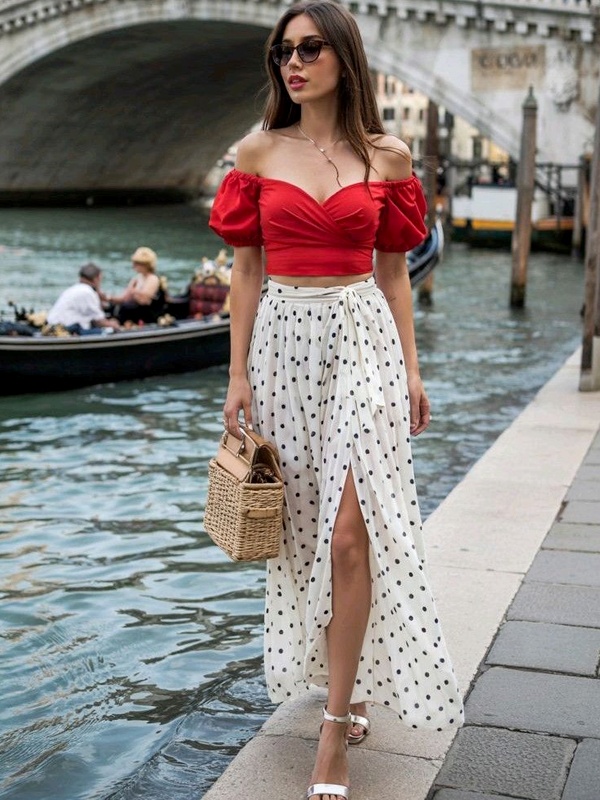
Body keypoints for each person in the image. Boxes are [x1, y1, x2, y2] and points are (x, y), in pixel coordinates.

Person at [209, 3, 463, 798]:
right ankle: (342, 684)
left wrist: (414, 372)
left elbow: (395, 276)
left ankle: (333, 733)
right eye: (284, 50)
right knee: (304, 531)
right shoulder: (256, 151)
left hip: (363, 340)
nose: (294, 61)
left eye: (311, 48)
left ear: (344, 58)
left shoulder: (387, 158)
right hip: (282, 341)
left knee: (352, 534)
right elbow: (246, 273)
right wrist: (237, 375)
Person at [47, 262, 119, 333]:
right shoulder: (88, 292)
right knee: (109, 331)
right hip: (66, 328)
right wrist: (114, 325)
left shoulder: (75, 288)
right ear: (96, 278)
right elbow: (99, 321)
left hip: (53, 324)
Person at [107, 246, 165, 324]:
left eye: (137, 264)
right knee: (114, 307)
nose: (134, 266)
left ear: (145, 265)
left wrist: (134, 292)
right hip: (135, 310)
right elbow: (124, 298)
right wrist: (109, 298)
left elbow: (144, 301)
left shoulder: (153, 279)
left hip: (148, 313)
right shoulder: (136, 278)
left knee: (127, 307)